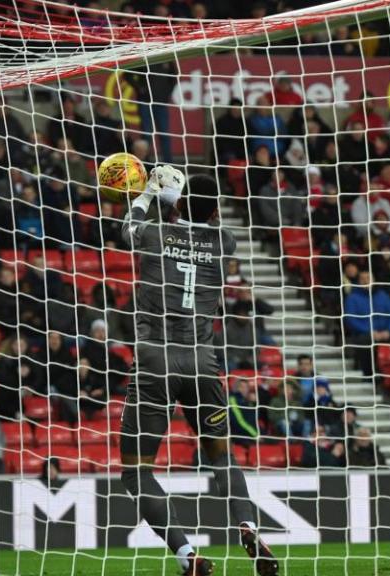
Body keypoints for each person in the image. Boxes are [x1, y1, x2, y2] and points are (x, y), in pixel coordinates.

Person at [120, 166, 277, 576]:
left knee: (136, 471)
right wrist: (181, 203)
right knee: (221, 456)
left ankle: (187, 555)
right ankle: (248, 525)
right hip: (203, 361)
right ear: (214, 212)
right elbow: (196, 224)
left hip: (156, 358)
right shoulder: (225, 241)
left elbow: (129, 227)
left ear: (180, 203)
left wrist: (150, 193)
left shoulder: (154, 233)